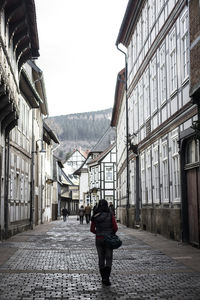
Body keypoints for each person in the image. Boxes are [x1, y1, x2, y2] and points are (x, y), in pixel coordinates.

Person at [90, 199, 118, 286]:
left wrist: (98, 233)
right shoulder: (110, 215)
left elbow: (92, 229)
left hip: (99, 239)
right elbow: (115, 227)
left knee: (101, 258)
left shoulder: (95, 215)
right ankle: (107, 278)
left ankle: (103, 278)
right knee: (109, 258)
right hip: (108, 239)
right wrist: (111, 233)